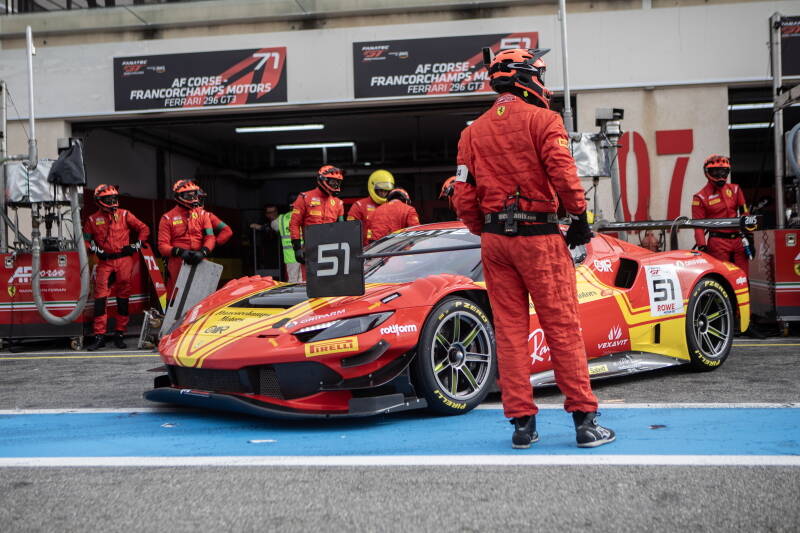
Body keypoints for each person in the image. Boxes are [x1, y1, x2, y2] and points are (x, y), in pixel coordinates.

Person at [452, 47, 614, 449]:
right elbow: (564, 174)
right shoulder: (544, 120)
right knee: (562, 328)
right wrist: (578, 218)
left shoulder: (472, 132)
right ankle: (584, 421)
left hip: (495, 242)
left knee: (509, 332)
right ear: (528, 77)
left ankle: (522, 426)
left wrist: (484, 229)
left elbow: (462, 194)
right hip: (539, 238)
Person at [82, 184, 150, 351]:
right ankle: (99, 336)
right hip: (104, 262)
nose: (112, 201)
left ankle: (120, 333)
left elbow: (144, 229)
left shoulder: (125, 214)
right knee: (100, 299)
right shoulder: (92, 220)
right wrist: (96, 249)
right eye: (108, 199)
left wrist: (136, 246)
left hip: (124, 261)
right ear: (99, 201)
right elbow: (85, 240)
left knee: (123, 299)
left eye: (114, 198)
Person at [692, 155, 750, 275]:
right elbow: (698, 226)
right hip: (718, 243)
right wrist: (702, 247)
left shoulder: (735, 189)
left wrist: (750, 238)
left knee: (743, 276)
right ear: (707, 172)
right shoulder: (700, 197)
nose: (720, 176)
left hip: (739, 240)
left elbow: (746, 214)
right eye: (716, 172)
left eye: (723, 172)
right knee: (723, 277)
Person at [157, 179, 216, 296]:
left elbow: (210, 237)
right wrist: (180, 252)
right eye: (188, 195)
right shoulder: (167, 218)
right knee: (177, 296)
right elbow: (162, 246)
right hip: (178, 261)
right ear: (179, 196)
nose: (192, 198)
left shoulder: (203, 215)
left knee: (203, 295)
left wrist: (203, 252)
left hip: (200, 259)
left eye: (194, 194)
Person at [289, 165, 345, 266]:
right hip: (310, 250)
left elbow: (341, 229)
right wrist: (297, 248)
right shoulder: (304, 198)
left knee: (332, 282)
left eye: (338, 182)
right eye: (333, 182)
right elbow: (294, 224)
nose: (336, 185)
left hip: (331, 251)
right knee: (308, 281)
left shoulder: (338, 203)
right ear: (324, 179)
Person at [347, 169, 395, 244]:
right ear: (372, 187)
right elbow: (350, 231)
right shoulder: (359, 206)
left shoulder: (393, 206)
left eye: (386, 190)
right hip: (367, 250)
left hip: (389, 248)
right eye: (380, 190)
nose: (383, 193)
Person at [272, 194, 302, 283]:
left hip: (291, 257)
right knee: (303, 282)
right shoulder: (304, 216)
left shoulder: (281, 219)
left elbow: (273, 225)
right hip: (305, 254)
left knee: (293, 281)